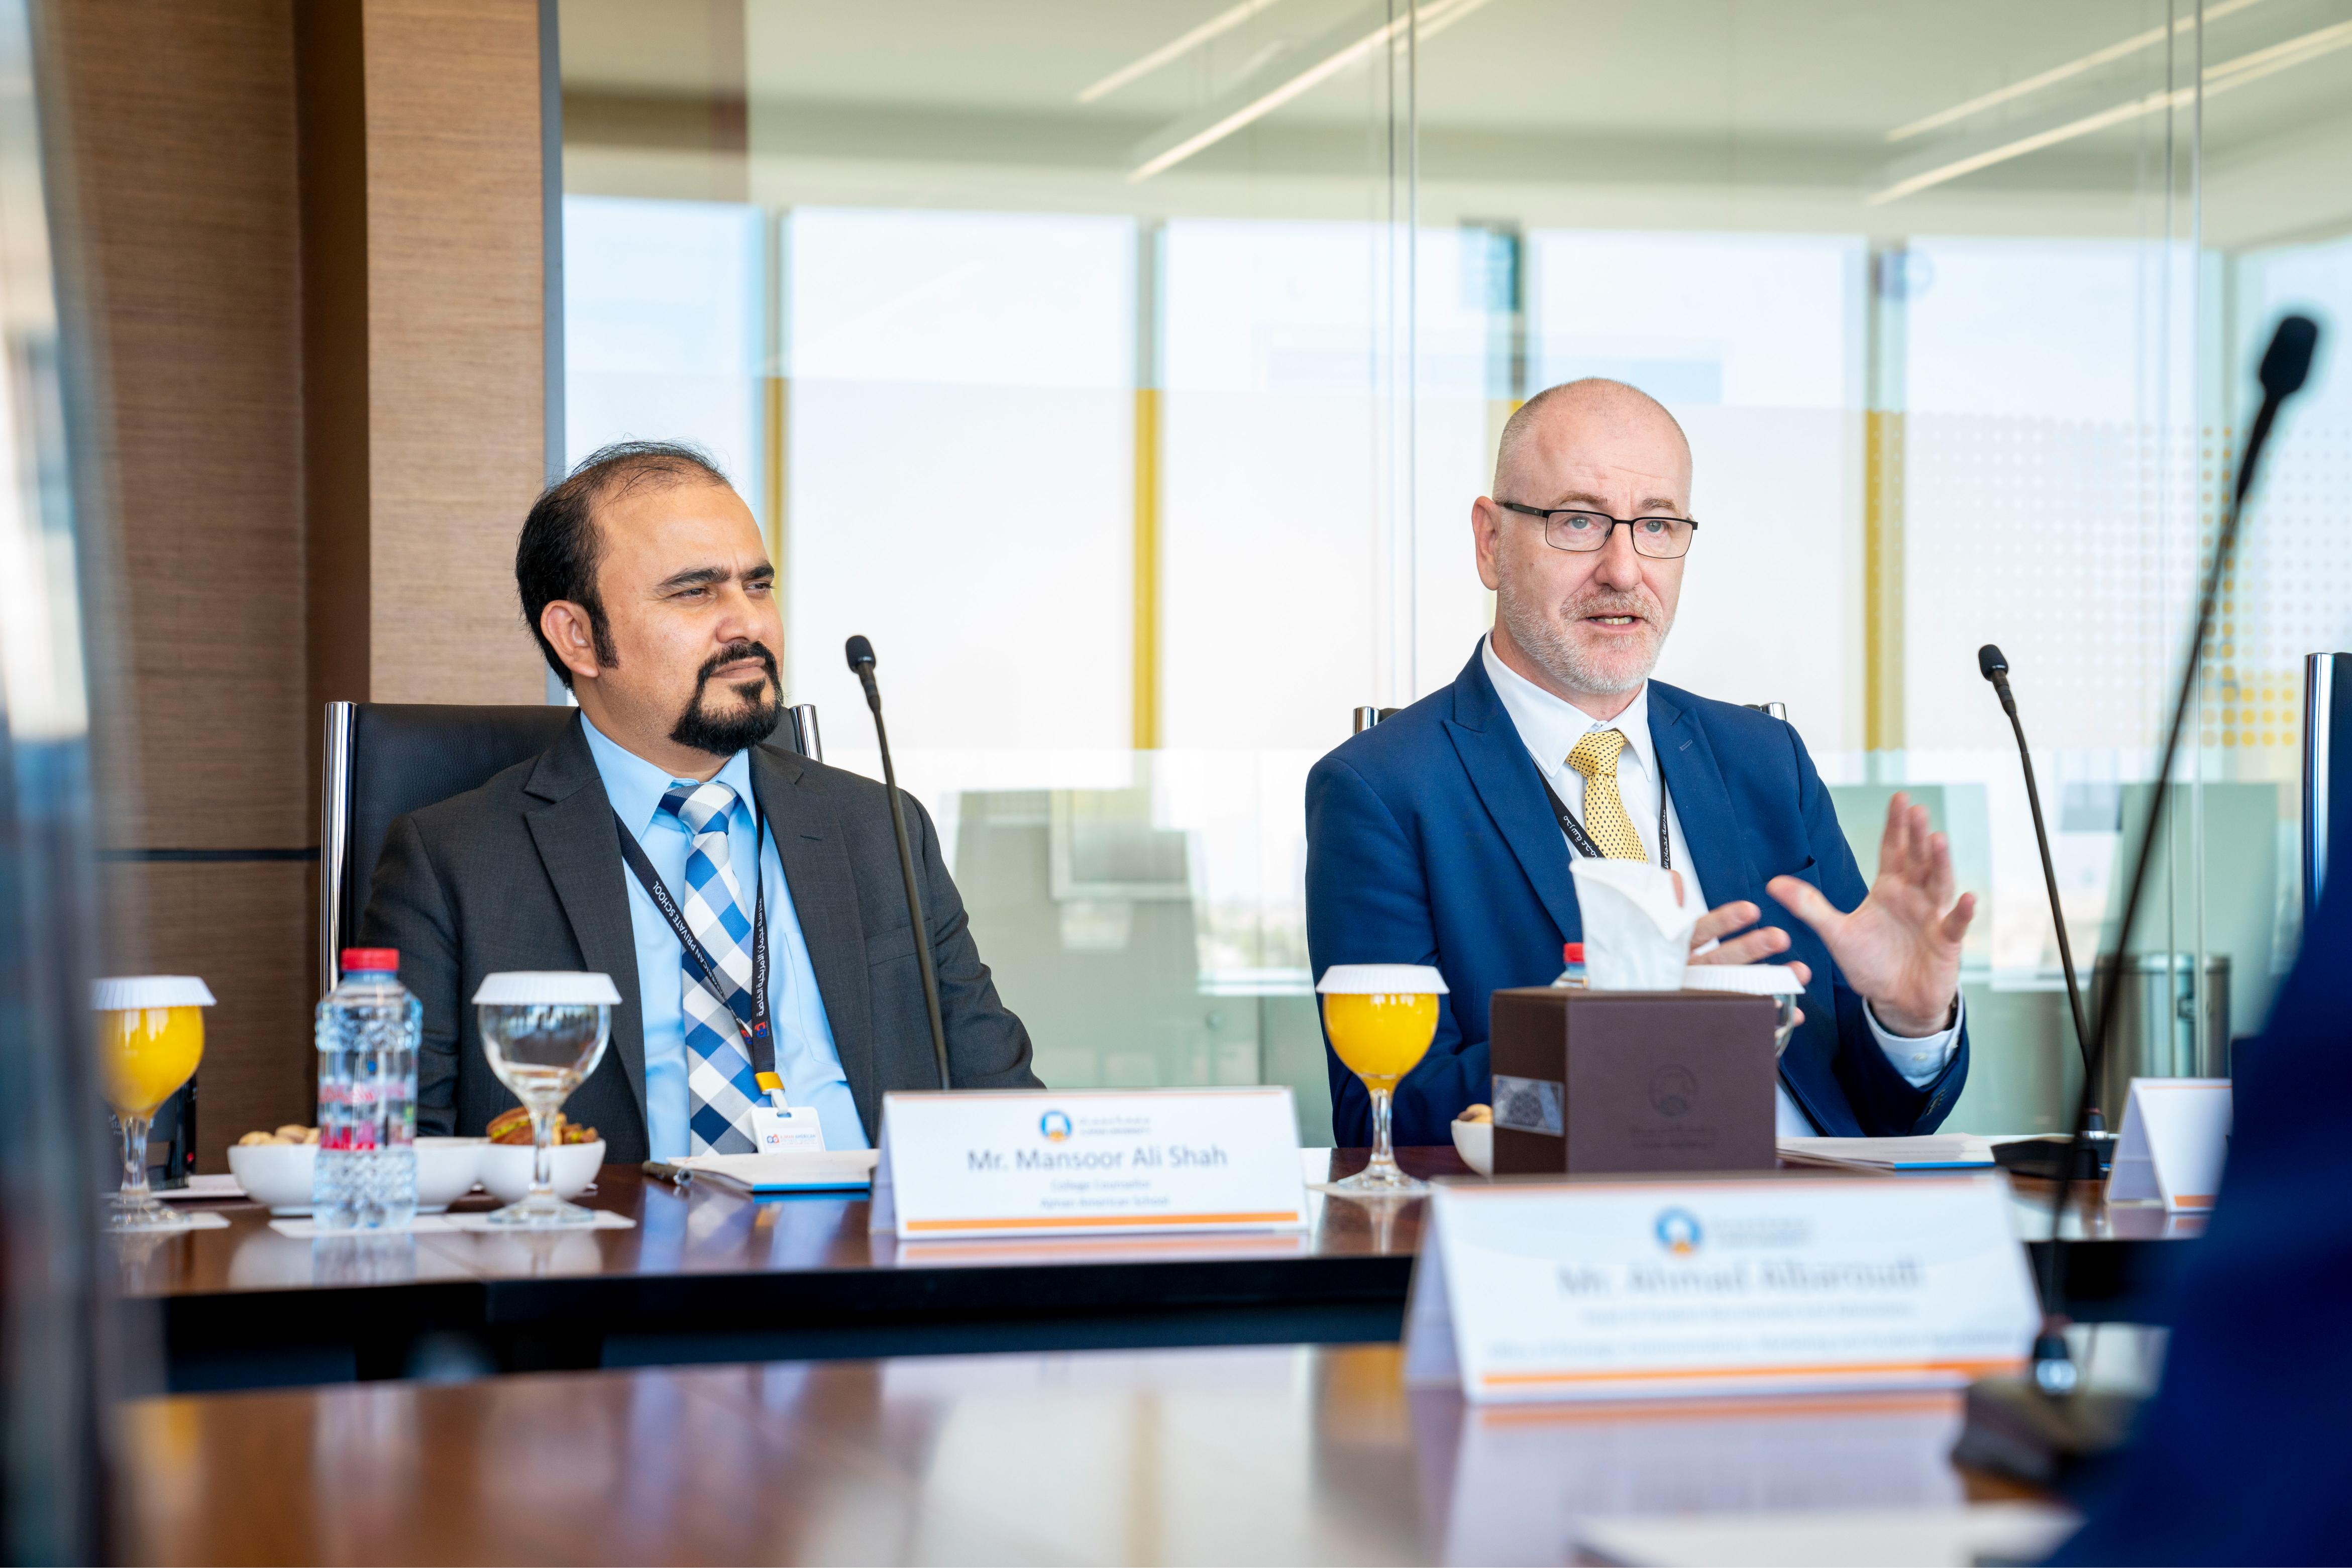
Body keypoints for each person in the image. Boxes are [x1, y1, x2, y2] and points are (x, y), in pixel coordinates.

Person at [1306, 379, 1975, 1147]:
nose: (1623, 571)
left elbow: (1883, 1112)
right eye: (1578, 521)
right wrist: (1627, 1030)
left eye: (1656, 524)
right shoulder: (1381, 789)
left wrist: (1907, 1020)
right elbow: (1384, 1117)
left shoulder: (1766, 761)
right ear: (1490, 543)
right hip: (1572, 1214)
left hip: (1807, 1202)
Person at [362, 441, 1039, 1163]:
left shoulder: (880, 830)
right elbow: (389, 1153)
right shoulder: (455, 861)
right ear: (578, 636)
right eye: (695, 592)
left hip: (869, 1228)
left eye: (758, 585)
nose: (747, 624)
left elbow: (1003, 1109)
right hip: (613, 1232)